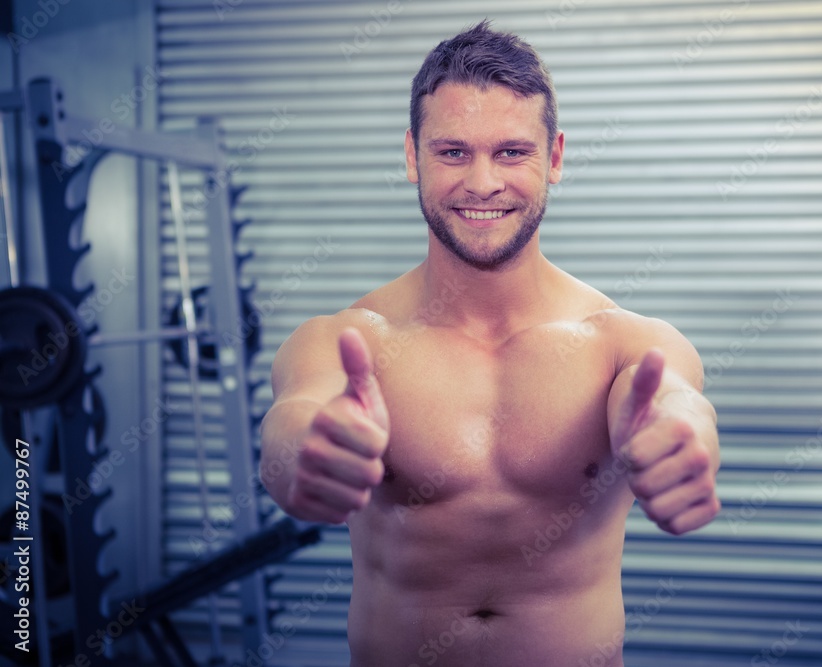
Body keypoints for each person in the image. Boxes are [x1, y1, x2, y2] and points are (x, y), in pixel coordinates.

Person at [260, 20, 720, 667]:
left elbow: (673, 400)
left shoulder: (623, 343)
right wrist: (301, 455)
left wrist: (682, 435)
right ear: (411, 155)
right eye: (452, 152)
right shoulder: (349, 339)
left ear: (554, 158)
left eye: (511, 152)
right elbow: (293, 422)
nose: (482, 183)